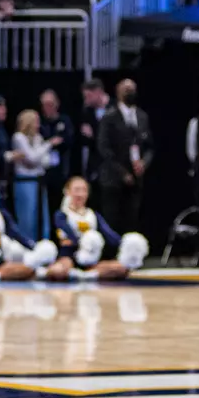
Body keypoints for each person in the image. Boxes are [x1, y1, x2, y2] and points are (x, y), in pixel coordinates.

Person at [49, 176, 146, 281]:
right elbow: (68, 236)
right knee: (58, 271)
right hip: (70, 257)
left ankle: (85, 275)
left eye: (84, 190)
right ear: (67, 192)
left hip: (92, 258)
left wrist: (128, 244)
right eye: (76, 190)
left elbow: (110, 236)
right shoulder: (62, 214)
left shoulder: (93, 215)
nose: (80, 194)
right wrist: (84, 242)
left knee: (121, 268)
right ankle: (76, 273)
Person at [97, 79, 154, 235]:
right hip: (113, 179)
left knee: (133, 220)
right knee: (113, 221)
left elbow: (149, 146)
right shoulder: (109, 117)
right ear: (118, 92)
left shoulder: (142, 116)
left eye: (132, 89)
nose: (130, 92)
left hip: (136, 178)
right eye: (126, 89)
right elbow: (104, 149)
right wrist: (123, 173)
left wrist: (144, 163)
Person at [11, 109, 52, 241]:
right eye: (36, 121)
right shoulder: (18, 137)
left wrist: (36, 156)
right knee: (27, 215)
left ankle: (44, 243)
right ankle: (27, 241)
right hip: (24, 181)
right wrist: (48, 144)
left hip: (39, 180)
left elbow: (46, 161)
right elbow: (32, 158)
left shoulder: (38, 138)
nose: (38, 125)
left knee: (42, 214)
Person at [38, 88, 74, 219]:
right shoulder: (40, 123)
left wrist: (58, 141)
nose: (48, 108)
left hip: (61, 170)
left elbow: (69, 140)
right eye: (45, 105)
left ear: (57, 104)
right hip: (43, 171)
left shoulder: (64, 120)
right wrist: (51, 142)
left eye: (50, 104)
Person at [79, 77, 112, 199]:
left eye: (88, 96)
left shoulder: (114, 108)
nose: (86, 100)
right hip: (94, 165)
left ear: (98, 92)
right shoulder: (87, 111)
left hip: (112, 164)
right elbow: (84, 139)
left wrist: (94, 135)